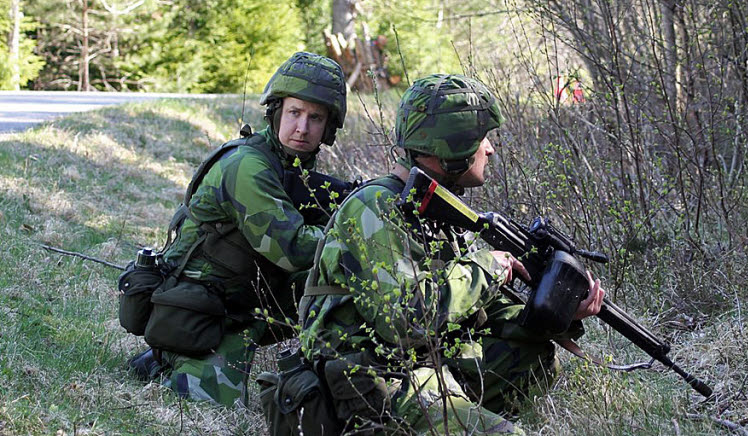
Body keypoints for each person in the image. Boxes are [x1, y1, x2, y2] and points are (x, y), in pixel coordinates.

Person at [294, 74, 605, 434]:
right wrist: (488, 267)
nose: (489, 149)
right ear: (453, 149)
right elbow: (405, 323)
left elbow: (479, 312)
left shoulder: (436, 210)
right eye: (480, 139)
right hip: (370, 378)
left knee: (533, 357)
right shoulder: (376, 208)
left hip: (424, 362)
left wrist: (556, 313)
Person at [126, 51, 350, 407]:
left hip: (238, 300)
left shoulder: (291, 167)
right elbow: (292, 249)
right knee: (210, 403)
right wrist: (356, 228)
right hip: (205, 310)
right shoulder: (249, 166)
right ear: (276, 112)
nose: (302, 128)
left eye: (315, 118)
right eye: (294, 113)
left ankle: (168, 359)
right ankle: (172, 357)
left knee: (341, 290)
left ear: (329, 128)